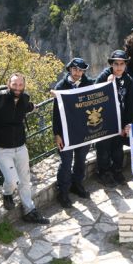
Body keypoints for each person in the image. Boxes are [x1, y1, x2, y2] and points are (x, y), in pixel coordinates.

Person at [0, 73, 49, 224]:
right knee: (12, 181)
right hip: (1, 147)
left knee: (25, 180)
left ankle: (29, 210)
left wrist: (33, 107)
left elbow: (26, 107)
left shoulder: (24, 98)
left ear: (24, 85)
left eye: (20, 85)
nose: (17, 88)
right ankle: (7, 193)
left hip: (20, 146)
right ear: (8, 84)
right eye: (14, 84)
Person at [52, 58, 94, 208]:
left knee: (81, 159)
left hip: (84, 130)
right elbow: (55, 114)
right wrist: (57, 134)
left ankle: (77, 184)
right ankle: (62, 192)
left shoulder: (89, 84)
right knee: (65, 162)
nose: (78, 73)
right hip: (65, 132)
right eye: (75, 69)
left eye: (81, 70)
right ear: (69, 69)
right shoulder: (60, 87)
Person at [94, 50, 133, 187]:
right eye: (116, 64)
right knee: (103, 149)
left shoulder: (128, 80)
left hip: (119, 121)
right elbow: (94, 96)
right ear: (111, 64)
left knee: (118, 149)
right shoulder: (104, 76)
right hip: (103, 121)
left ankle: (117, 170)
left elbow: (130, 104)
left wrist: (127, 124)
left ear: (125, 65)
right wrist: (106, 85)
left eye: (122, 64)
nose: (119, 67)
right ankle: (103, 173)